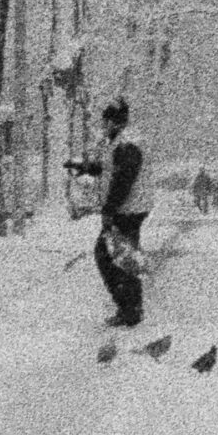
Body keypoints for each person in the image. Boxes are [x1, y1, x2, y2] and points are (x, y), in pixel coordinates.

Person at [75, 99, 152, 327]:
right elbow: (113, 168)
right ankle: (131, 308)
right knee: (121, 256)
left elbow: (123, 179)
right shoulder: (123, 141)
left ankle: (129, 310)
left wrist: (110, 208)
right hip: (130, 208)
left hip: (127, 209)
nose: (103, 126)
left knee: (110, 256)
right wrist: (89, 168)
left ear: (114, 122)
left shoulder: (126, 144)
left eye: (105, 122)